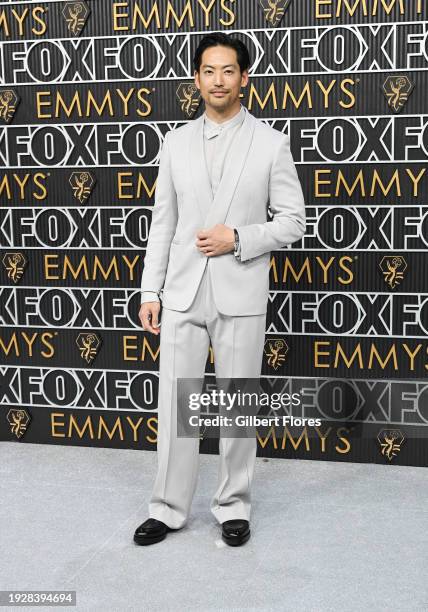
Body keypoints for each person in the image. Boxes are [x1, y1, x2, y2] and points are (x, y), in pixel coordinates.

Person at [134, 32, 306, 547]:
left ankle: (234, 505)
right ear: (196, 79)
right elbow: (162, 222)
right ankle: (166, 508)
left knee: (236, 402)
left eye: (228, 71)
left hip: (242, 287)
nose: (217, 80)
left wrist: (240, 238)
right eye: (208, 71)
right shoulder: (176, 142)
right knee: (173, 406)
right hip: (182, 292)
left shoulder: (272, 143)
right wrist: (150, 291)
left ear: (244, 77)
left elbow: (294, 221)